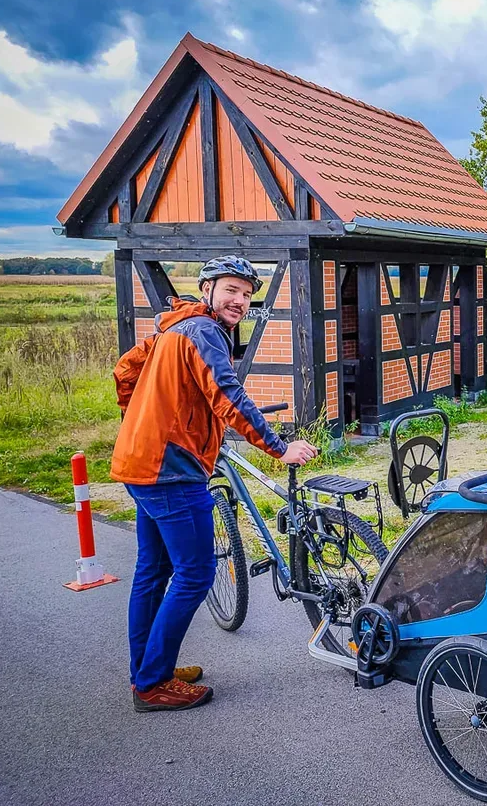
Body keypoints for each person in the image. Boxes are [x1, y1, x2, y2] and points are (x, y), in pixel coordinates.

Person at [110, 256, 317, 712]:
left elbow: (126, 373)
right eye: (231, 290)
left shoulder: (174, 325)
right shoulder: (203, 331)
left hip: (140, 461)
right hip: (171, 471)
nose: (240, 301)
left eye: (246, 294)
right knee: (196, 573)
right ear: (207, 289)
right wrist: (279, 447)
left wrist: (147, 420)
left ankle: (146, 670)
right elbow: (228, 395)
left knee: (154, 571)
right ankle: (153, 683)